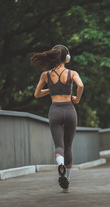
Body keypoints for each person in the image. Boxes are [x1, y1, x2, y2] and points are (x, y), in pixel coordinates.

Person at [30, 44, 84, 191]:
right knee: (68, 147)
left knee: (59, 147)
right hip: (69, 109)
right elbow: (81, 85)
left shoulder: (45, 75)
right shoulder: (72, 73)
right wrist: (77, 99)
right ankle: (67, 180)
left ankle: (60, 165)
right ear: (66, 58)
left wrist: (51, 89)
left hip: (55, 111)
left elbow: (37, 94)